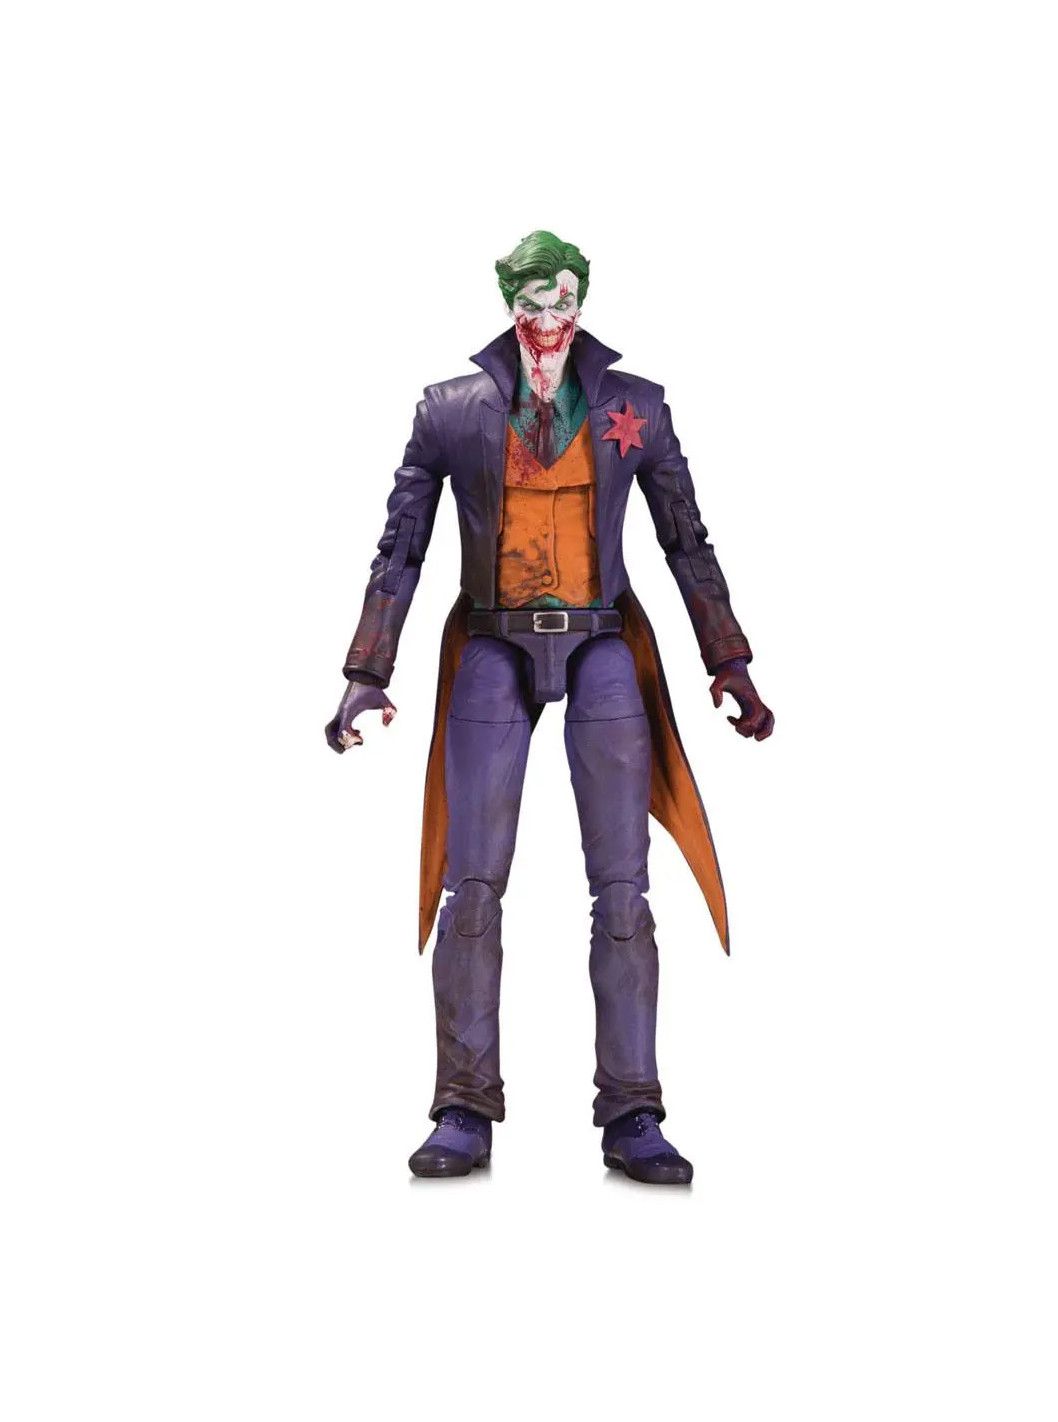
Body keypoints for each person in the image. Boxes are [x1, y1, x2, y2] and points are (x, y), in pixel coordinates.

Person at [326, 231, 773, 1183]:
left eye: (561, 300)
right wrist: (368, 667)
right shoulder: (452, 411)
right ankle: (463, 1104)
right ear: (509, 305)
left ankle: (633, 1108)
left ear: (581, 304)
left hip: (602, 638)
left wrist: (728, 659)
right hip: (492, 641)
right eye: (530, 302)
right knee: (472, 886)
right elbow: (401, 544)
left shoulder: (633, 408)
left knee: (624, 888)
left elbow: (686, 539)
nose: (545, 319)